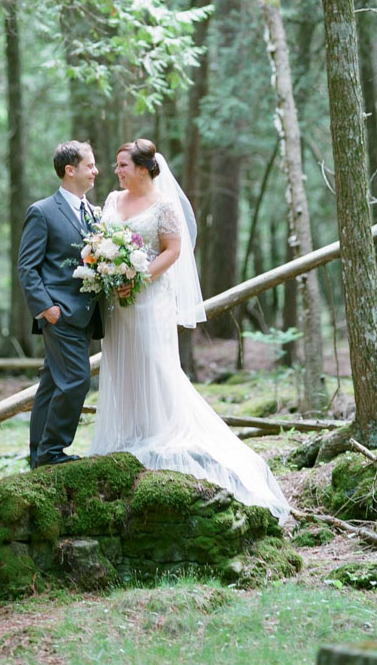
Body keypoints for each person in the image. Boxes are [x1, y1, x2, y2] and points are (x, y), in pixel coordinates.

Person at [90, 138, 290, 522]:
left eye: (123, 165)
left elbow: (173, 250)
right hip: (117, 304)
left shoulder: (164, 205)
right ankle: (127, 434)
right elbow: (101, 244)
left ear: (145, 168)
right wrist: (108, 270)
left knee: (154, 362)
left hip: (150, 299)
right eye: (116, 166)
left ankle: (157, 432)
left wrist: (139, 275)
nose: (117, 171)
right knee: (122, 363)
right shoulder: (113, 201)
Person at [18, 140, 103, 468]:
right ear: (70, 170)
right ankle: (54, 451)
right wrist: (46, 308)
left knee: (53, 381)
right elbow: (27, 266)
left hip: (85, 314)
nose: (95, 171)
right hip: (59, 313)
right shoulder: (42, 211)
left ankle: (39, 454)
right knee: (77, 379)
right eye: (90, 165)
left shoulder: (91, 212)